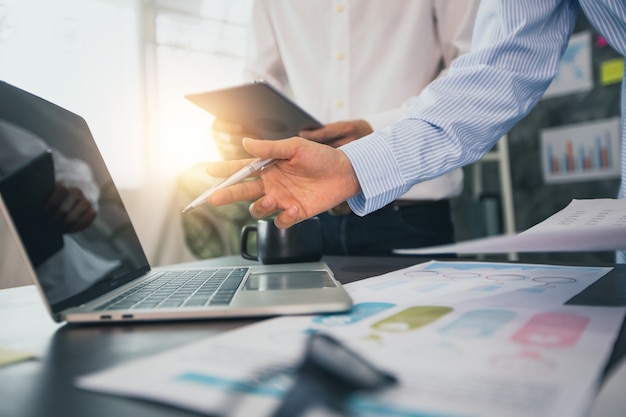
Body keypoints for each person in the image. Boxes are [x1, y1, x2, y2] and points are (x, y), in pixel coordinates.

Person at [205, 0, 626, 262]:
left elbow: (473, 59)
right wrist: (244, 129)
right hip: (308, 207)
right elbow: (501, 67)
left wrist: (370, 137)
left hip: (410, 208)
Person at [211, 0, 481, 255]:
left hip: (407, 212)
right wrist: (242, 127)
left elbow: (473, 70)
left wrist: (378, 129)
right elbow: (259, 79)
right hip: (307, 215)